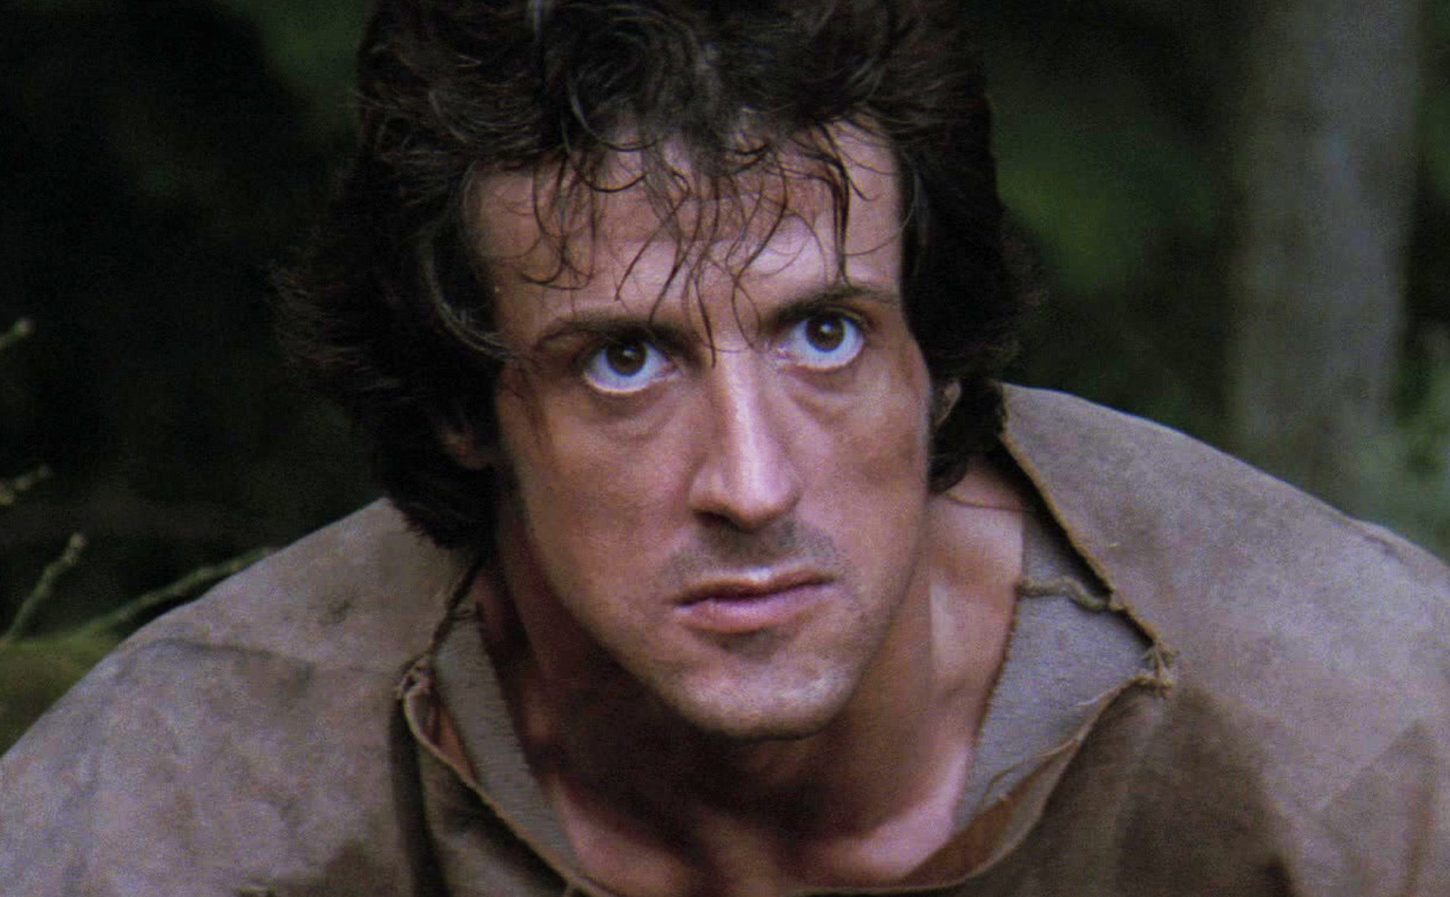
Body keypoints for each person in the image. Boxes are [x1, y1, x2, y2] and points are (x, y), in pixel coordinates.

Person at [3, 1, 1448, 894]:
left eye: (824, 333)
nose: (751, 485)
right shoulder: (182, 801)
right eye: (622, 361)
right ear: (465, 403)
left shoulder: (1367, 734)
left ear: (938, 359)